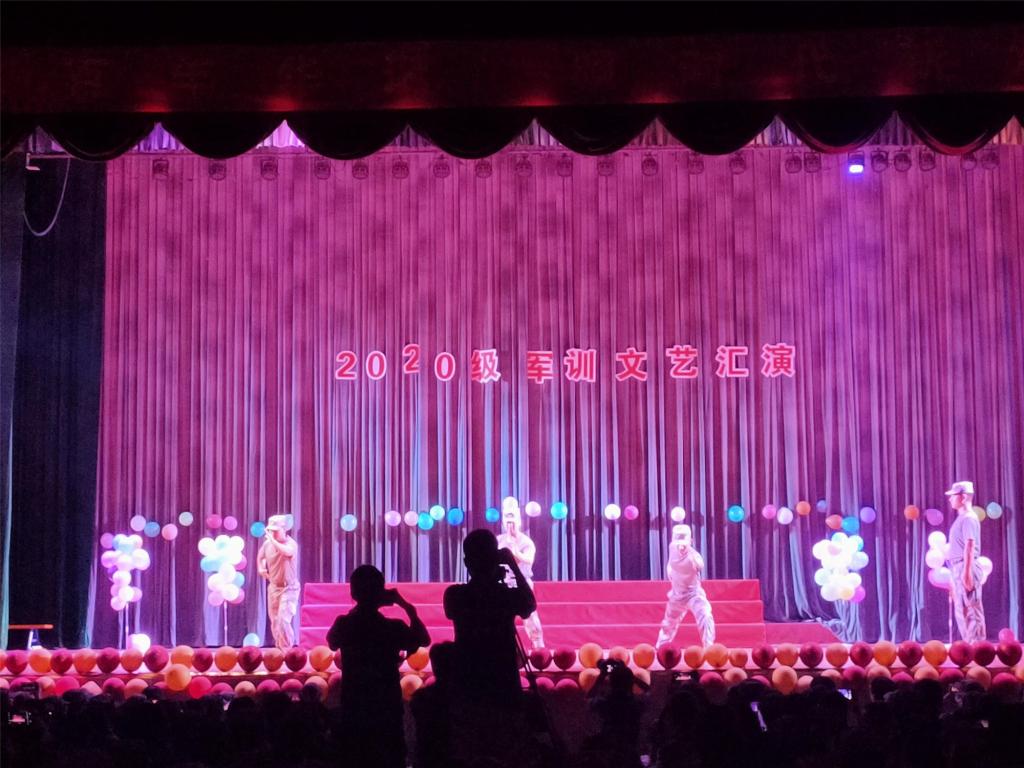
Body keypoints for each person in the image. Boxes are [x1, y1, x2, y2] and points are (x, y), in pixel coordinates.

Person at [326, 565, 429, 768]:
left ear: (353, 593)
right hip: (387, 707)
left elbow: (332, 642)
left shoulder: (345, 624)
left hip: (354, 706)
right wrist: (408, 608)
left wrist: (359, 608)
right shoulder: (392, 627)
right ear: (381, 593)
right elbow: (424, 640)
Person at [443, 529, 537, 701]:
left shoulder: (454, 595)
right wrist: (512, 565)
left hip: (468, 679)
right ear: (496, 560)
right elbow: (528, 606)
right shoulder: (504, 595)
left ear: (466, 562)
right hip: (503, 680)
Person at [656, 524, 716, 649]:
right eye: (678, 542)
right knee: (668, 624)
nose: (681, 546)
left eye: (684, 542)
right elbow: (675, 565)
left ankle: (709, 648)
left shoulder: (694, 557)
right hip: (677, 596)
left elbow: (699, 564)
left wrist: (690, 555)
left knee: (705, 615)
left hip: (694, 595)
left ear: (690, 542)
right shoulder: (673, 554)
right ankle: (661, 649)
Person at [496, 503, 545, 649]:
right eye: (506, 518)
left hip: (522, 582)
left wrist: (514, 548)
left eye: (512, 518)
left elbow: (528, 559)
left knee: (530, 616)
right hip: (502, 583)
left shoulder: (526, 541)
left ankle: (538, 647)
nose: (509, 523)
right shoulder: (498, 540)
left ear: (519, 520)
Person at [944, 480, 987, 642]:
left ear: (962, 497)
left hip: (965, 565)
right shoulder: (961, 518)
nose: (950, 499)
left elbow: (970, 544)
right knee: (962, 610)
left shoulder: (969, 518)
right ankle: (970, 645)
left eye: (953, 496)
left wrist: (967, 572)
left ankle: (977, 647)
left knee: (971, 609)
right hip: (958, 566)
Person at [257, 514, 299, 650]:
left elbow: (286, 552)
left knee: (283, 620)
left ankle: (287, 650)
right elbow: (261, 557)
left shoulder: (291, 544)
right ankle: (280, 649)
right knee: (275, 621)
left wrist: (272, 541)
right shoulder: (267, 545)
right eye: (271, 531)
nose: (273, 534)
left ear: (284, 529)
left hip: (289, 588)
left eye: (276, 531)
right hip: (274, 588)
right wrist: (261, 567)